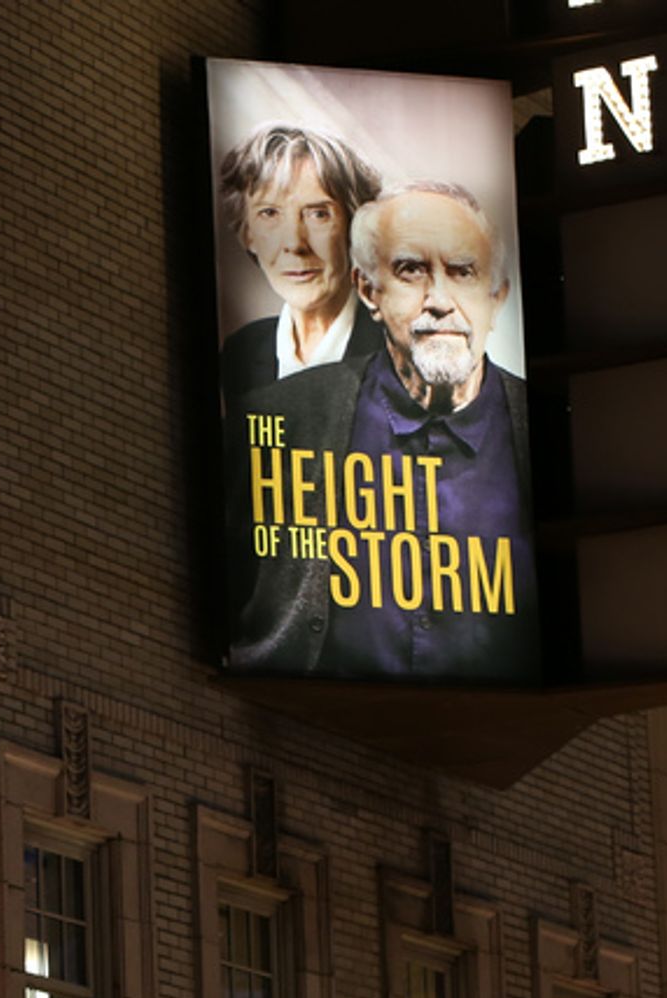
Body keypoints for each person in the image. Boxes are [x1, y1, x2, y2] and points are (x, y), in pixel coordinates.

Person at [226, 183, 538, 683]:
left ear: (496, 296)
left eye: (463, 272)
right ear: (369, 290)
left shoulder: (542, 429)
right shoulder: (281, 417)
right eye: (411, 270)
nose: (439, 300)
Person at [218, 124, 382, 400]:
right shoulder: (239, 354)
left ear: (354, 227)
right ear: (248, 235)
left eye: (318, 214)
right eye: (269, 213)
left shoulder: (402, 354)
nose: (295, 243)